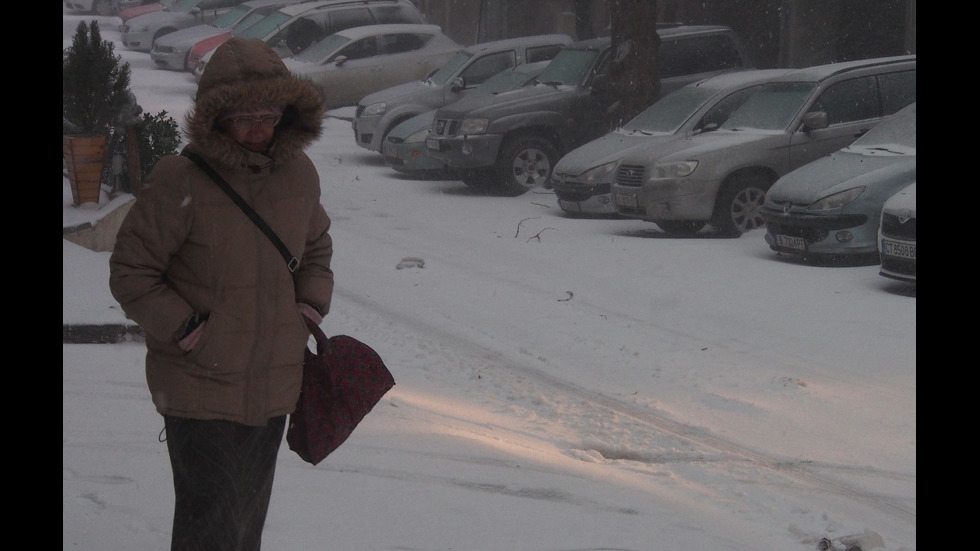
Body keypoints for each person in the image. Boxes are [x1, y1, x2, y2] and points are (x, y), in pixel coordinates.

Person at [109, 37, 334, 551]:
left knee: (246, 522)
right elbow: (131, 271)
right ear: (218, 117)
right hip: (199, 385)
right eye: (244, 117)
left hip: (273, 384)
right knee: (209, 524)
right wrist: (189, 330)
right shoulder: (180, 180)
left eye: (269, 115)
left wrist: (308, 305)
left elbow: (317, 247)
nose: (259, 129)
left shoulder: (299, 175)